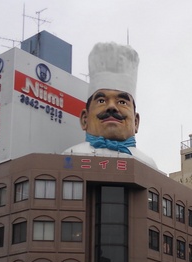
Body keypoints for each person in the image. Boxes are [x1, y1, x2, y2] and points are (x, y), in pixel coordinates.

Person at [64, 42, 158, 170]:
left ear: (136, 122)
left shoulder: (147, 164)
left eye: (122, 102)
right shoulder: (70, 157)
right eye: (102, 100)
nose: (112, 107)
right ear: (84, 119)